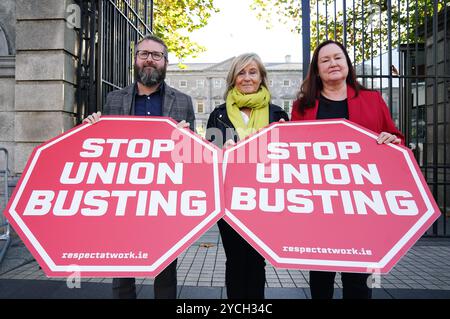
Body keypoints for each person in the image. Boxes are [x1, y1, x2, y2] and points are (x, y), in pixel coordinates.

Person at [291, 40, 405, 299]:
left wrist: (393, 140)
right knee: (321, 278)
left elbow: (397, 138)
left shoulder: (372, 100)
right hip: (320, 204)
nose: (333, 63)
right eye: (325, 60)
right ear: (317, 70)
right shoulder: (303, 107)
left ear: (347, 64)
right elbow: (294, 151)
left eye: (338, 58)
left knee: (358, 281)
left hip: (362, 206)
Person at [84, 34, 195, 299]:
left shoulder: (183, 101)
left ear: (165, 62)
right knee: (122, 268)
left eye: (156, 55)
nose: (149, 60)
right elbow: (103, 147)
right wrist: (90, 130)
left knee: (166, 269)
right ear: (135, 60)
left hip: (164, 197)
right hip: (124, 196)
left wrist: (187, 140)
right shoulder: (113, 99)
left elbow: (193, 155)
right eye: (143, 54)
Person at [206, 53, 289, 299]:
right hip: (229, 199)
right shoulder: (218, 114)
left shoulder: (278, 114)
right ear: (233, 79)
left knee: (256, 261)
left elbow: (288, 161)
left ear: (262, 77)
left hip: (264, 199)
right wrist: (223, 153)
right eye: (241, 73)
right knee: (234, 260)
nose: (247, 78)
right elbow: (209, 159)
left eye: (252, 72)